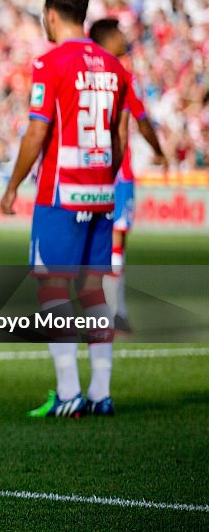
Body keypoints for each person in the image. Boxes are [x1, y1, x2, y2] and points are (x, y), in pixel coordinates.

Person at [0, 0, 133, 418]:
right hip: (100, 192)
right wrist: (106, 179)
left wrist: (14, 184)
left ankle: (69, 390)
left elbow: (38, 131)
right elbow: (120, 135)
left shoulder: (50, 63)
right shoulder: (114, 67)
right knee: (94, 289)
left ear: (50, 15)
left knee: (53, 288)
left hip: (61, 192)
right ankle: (100, 392)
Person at [89, 18, 168, 332]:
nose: (125, 38)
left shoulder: (84, 75)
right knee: (117, 240)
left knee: (96, 242)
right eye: (119, 33)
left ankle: (105, 310)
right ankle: (111, 313)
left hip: (87, 168)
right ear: (108, 40)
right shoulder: (120, 75)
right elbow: (141, 119)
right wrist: (159, 151)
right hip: (117, 170)